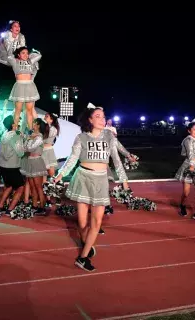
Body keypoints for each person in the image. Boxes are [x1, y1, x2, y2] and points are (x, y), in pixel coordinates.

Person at [55, 104, 129, 272]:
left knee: (97, 221)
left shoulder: (109, 136)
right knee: (82, 224)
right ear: (90, 119)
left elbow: (116, 160)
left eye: (103, 116)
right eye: (98, 116)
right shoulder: (81, 137)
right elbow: (72, 159)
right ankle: (85, 242)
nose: (102, 119)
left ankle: (83, 257)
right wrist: (59, 175)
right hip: (83, 178)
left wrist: (124, 180)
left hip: (101, 180)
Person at [0, 46, 41, 131]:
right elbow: (9, 56)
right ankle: (14, 130)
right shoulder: (15, 62)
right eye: (23, 53)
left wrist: (34, 52)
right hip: (19, 86)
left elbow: (39, 56)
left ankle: (30, 130)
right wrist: (13, 46)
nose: (26, 55)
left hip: (30, 86)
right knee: (17, 110)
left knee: (29, 111)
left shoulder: (30, 61)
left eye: (27, 53)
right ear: (18, 54)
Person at [175, 122, 195, 222]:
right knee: (186, 192)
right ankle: (183, 205)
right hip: (189, 167)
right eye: (194, 129)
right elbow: (190, 153)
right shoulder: (187, 140)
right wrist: (192, 166)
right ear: (189, 130)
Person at [20, 118, 49, 215]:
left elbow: (30, 148)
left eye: (35, 124)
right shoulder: (31, 136)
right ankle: (34, 205)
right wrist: (28, 139)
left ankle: (42, 206)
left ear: (38, 125)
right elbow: (24, 147)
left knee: (38, 186)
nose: (33, 125)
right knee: (32, 186)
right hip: (30, 161)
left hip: (37, 161)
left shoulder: (39, 137)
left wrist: (29, 139)